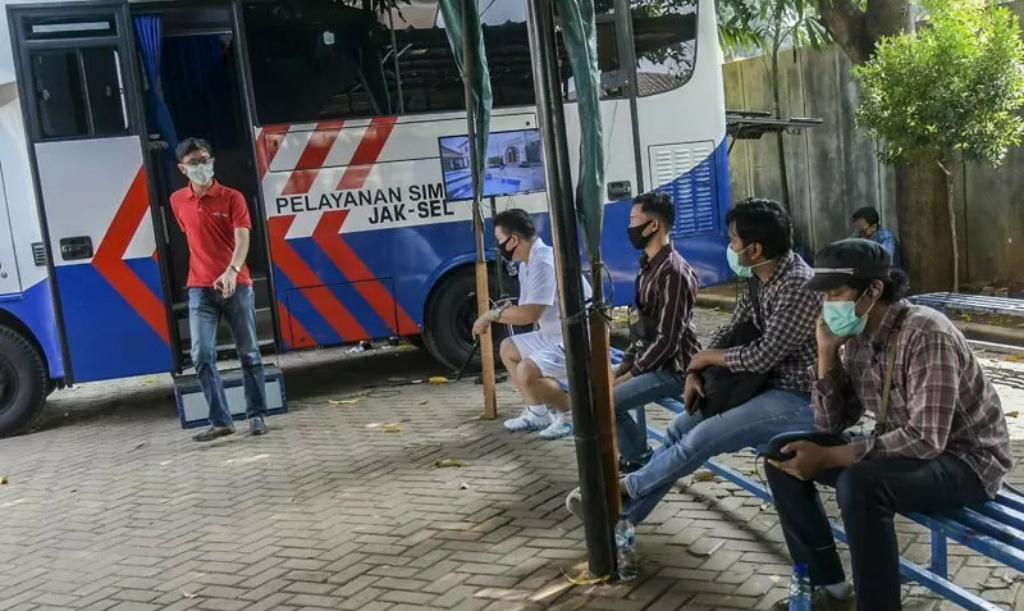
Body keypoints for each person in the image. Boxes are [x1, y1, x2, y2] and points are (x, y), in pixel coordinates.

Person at [765, 239, 1012, 611]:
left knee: (860, 485)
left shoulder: (926, 333)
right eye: (824, 296)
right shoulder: (857, 337)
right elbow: (830, 423)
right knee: (781, 453)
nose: (828, 305)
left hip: (966, 461)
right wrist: (827, 353)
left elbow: (927, 439)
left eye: (837, 294)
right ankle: (830, 587)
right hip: (907, 451)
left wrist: (830, 457)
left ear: (874, 290)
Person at [567, 198, 821, 523]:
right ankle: (624, 519)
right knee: (678, 429)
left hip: (797, 396)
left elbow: (763, 355)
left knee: (702, 437)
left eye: (733, 240)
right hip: (755, 384)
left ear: (755, 250)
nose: (730, 247)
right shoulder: (759, 278)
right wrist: (695, 371)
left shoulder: (798, 285)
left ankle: (621, 491)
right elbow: (729, 330)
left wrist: (703, 358)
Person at [171, 138, 268, 442]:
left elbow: (242, 238)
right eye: (194, 163)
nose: (201, 166)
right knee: (201, 355)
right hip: (199, 288)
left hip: (237, 285)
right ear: (182, 169)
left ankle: (256, 415)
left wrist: (232, 270)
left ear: (212, 161)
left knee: (249, 353)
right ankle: (221, 421)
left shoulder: (232, 198)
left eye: (205, 160)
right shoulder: (177, 201)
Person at [473, 208, 589, 440]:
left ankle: (572, 416)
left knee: (527, 369)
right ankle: (538, 413)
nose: (498, 246)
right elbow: (528, 307)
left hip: (576, 338)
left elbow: (530, 314)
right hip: (553, 334)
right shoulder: (528, 263)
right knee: (508, 348)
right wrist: (505, 310)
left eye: (499, 240)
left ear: (514, 239)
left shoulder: (543, 262)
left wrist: (490, 316)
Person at [612, 192, 701, 472]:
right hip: (651, 361)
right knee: (599, 387)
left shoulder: (674, 272)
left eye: (633, 220)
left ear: (653, 225)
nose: (629, 227)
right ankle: (636, 458)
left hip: (674, 368)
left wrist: (629, 375)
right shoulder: (648, 266)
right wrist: (623, 366)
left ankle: (640, 462)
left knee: (609, 402)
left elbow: (668, 340)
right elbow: (641, 326)